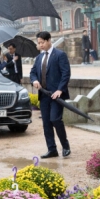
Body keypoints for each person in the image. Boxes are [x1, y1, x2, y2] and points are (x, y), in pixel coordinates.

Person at [30, 31, 71, 159]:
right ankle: (52, 149)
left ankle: (65, 146)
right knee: (46, 123)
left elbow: (66, 73)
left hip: (57, 95)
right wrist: (34, 80)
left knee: (55, 119)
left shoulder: (60, 55)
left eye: (42, 42)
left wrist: (60, 90)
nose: (40, 45)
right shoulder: (39, 58)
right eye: (39, 43)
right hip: (44, 95)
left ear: (49, 41)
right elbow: (32, 73)